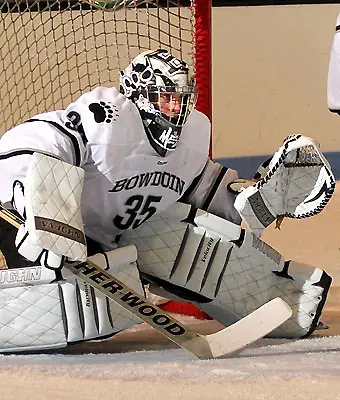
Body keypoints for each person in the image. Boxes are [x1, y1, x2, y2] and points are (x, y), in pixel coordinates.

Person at [0, 49, 334, 353]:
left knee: (194, 237)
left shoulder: (191, 137)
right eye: (165, 98)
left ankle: (287, 303)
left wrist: (261, 200)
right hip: (22, 220)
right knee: (75, 310)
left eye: (182, 99)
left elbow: (210, 197)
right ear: (138, 96)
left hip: (105, 237)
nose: (176, 109)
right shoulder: (106, 120)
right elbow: (32, 143)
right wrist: (41, 209)